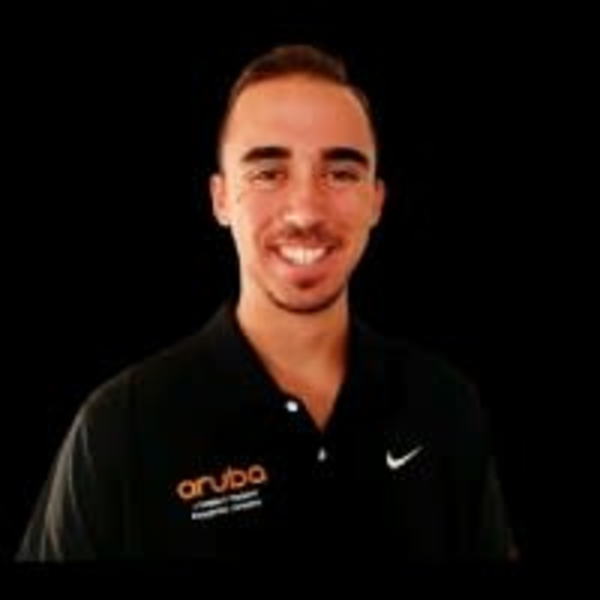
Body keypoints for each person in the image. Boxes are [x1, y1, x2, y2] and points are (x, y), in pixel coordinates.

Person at [16, 43, 518, 560]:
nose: (305, 210)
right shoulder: (124, 425)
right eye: (268, 173)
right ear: (220, 199)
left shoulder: (442, 405)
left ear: (376, 200)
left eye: (341, 173)